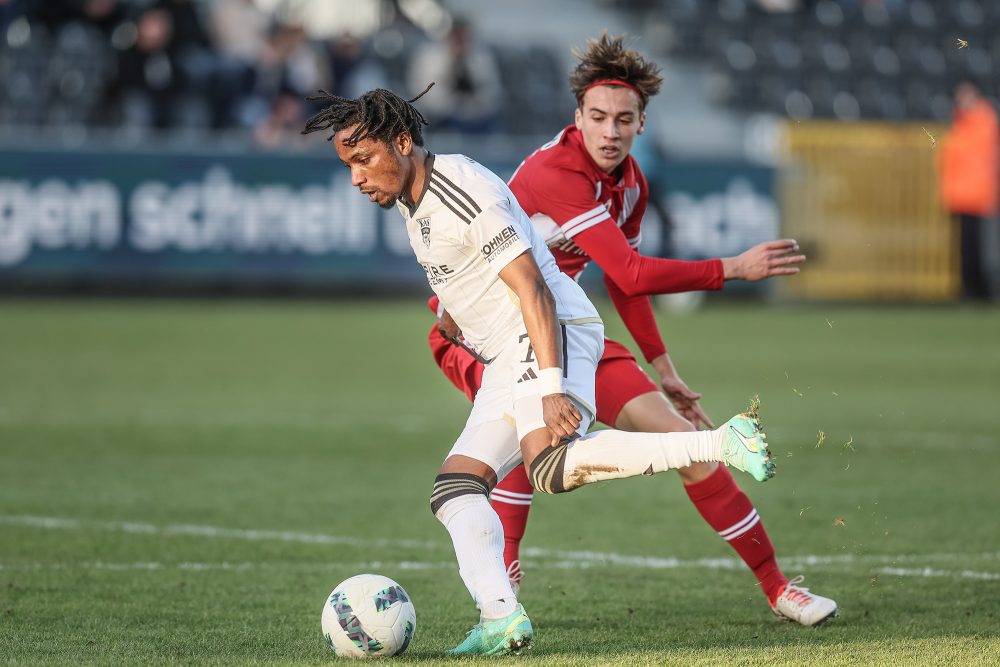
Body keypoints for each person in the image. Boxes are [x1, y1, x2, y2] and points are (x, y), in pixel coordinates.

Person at [302, 85, 778, 655]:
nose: (356, 178)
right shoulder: (413, 194)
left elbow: (533, 288)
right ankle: (501, 617)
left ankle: (719, 442)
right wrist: (455, 315)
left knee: (549, 467)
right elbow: (466, 263)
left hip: (547, 331)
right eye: (348, 165)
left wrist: (553, 388)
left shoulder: (459, 190)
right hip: (506, 350)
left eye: (363, 160)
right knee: (455, 491)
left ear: (402, 143)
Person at [427, 34, 838, 627]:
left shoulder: (632, 185)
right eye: (598, 118)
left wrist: (664, 369)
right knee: (522, 449)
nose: (610, 131)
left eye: (624, 119)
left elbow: (625, 288)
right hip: (476, 332)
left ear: (642, 123)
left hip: (563, 332)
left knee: (685, 445)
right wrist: (732, 268)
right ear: (578, 119)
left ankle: (778, 588)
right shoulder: (556, 171)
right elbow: (630, 270)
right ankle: (503, 598)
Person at [939, 81, 999, 301]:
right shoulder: (961, 123)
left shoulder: (982, 120)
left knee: (981, 249)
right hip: (960, 196)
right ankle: (968, 289)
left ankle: (983, 290)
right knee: (965, 248)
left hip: (979, 196)